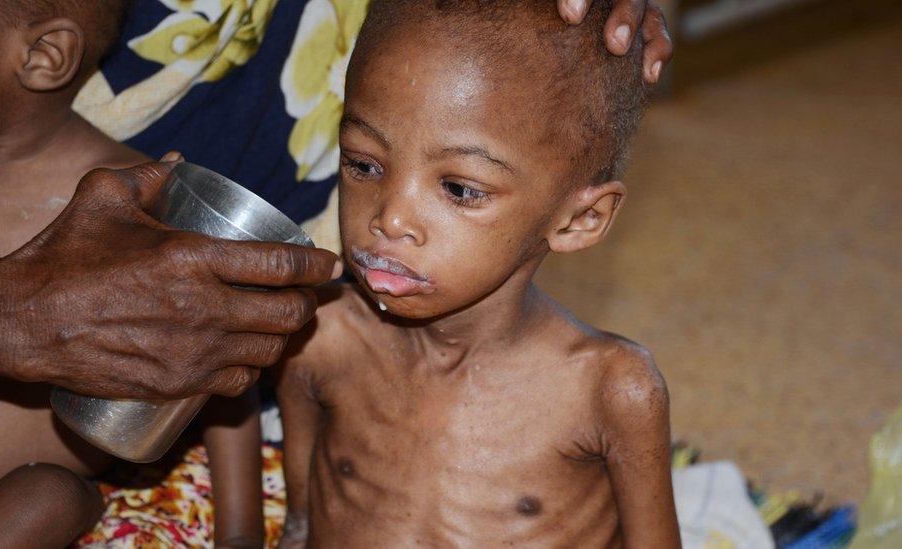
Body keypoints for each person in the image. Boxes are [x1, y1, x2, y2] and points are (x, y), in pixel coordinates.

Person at [275, 0, 679, 546]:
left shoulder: (608, 392)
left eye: (460, 189)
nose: (390, 217)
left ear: (580, 219)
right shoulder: (320, 336)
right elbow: (299, 521)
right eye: (364, 164)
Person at [0, 2, 311, 546]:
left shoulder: (136, 201)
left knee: (49, 495)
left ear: (45, 56)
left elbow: (215, 354)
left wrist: (238, 530)